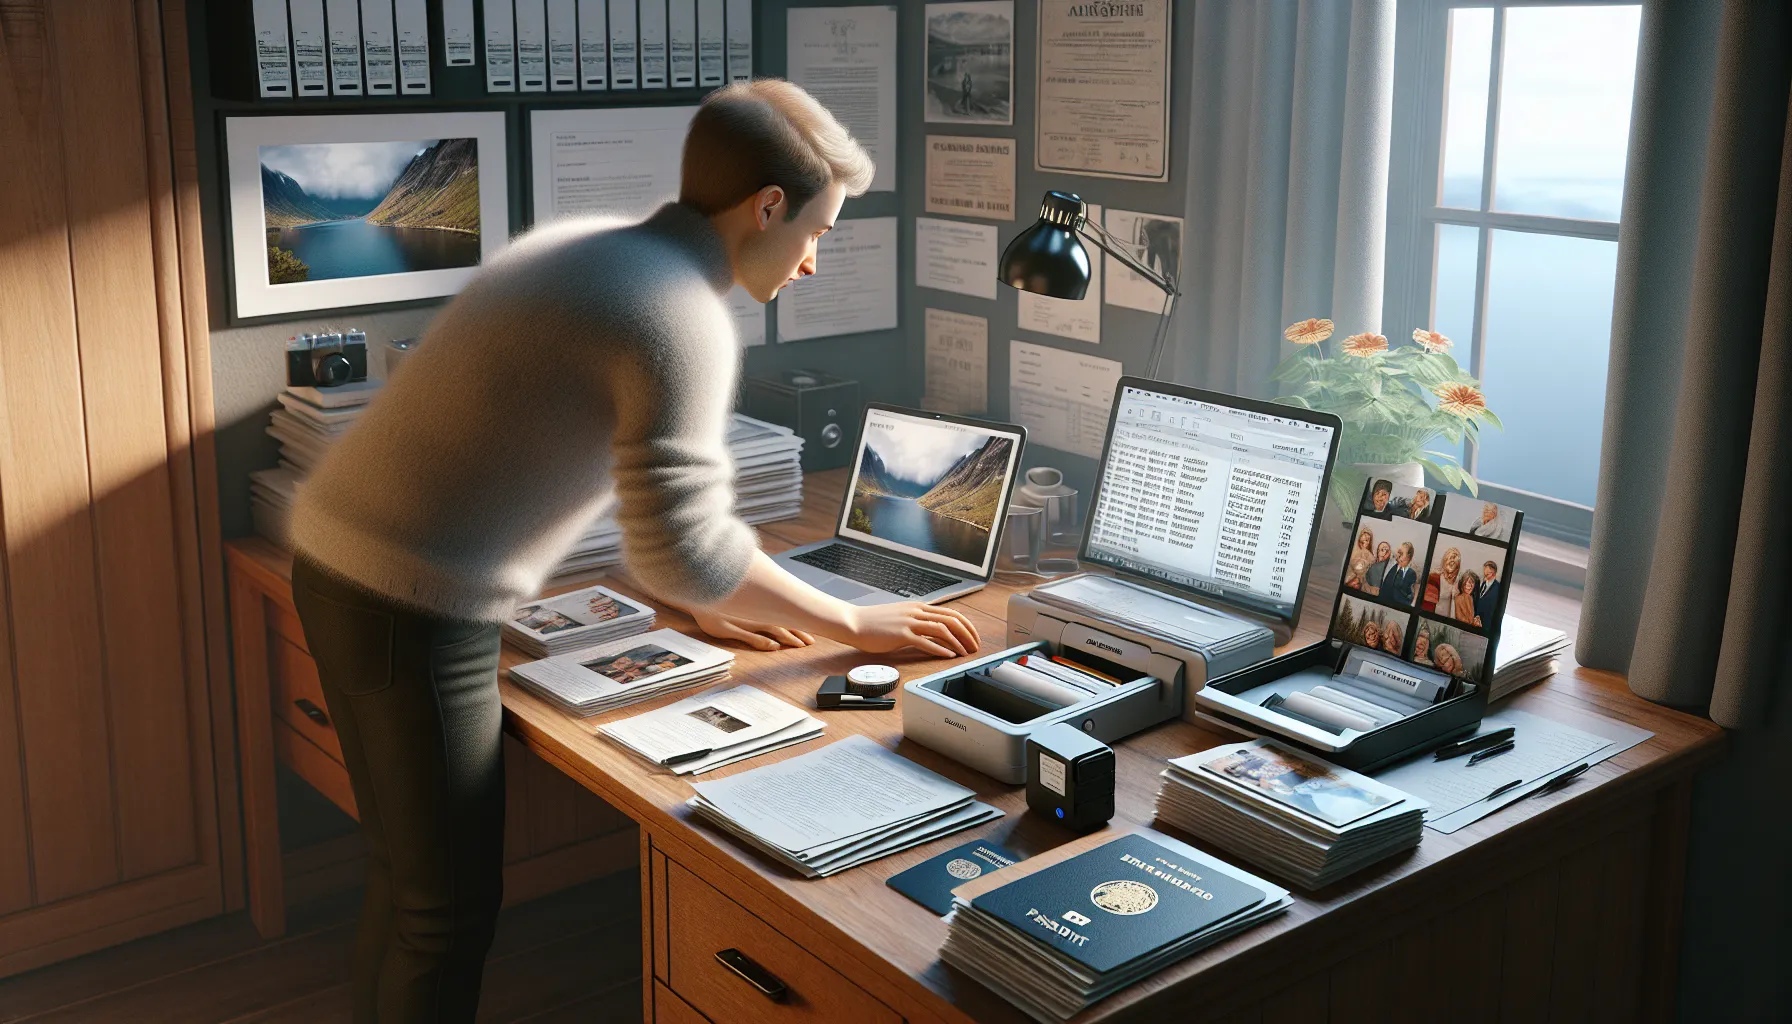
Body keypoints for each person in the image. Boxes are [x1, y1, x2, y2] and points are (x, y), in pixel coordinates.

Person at [286, 80, 981, 1023]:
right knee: (444, 913)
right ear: (766, 207)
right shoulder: (674, 311)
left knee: (407, 884)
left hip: (339, 563)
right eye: (818, 229)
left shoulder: (590, 251)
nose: (815, 260)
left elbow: (548, 451)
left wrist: (690, 585)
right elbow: (689, 547)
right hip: (410, 601)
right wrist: (850, 618)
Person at [1382, 542, 1419, 606]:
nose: (1399, 555)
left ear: (1408, 556)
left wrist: (1413, 603)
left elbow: (1415, 589)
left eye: (1401, 553)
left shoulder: (1411, 573)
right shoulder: (1393, 567)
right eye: (1399, 552)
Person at [1426, 546, 1462, 613]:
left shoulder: (1459, 583)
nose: (1452, 563)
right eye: (1450, 559)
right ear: (1445, 560)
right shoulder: (1434, 578)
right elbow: (1427, 604)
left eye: (1455, 563)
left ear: (1457, 566)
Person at [1474, 560, 1503, 625]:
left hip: (1487, 623)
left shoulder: (1498, 588)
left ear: (1494, 573)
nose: (1485, 574)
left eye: (1487, 573)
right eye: (1484, 571)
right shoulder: (1483, 583)